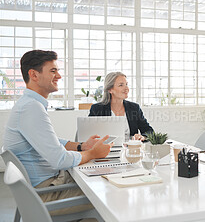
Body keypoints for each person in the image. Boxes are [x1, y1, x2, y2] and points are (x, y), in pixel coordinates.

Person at [3, 50, 112, 215]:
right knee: (108, 193)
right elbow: (59, 160)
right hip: (47, 193)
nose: (59, 76)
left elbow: (51, 141)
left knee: (99, 181)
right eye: (53, 71)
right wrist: (92, 153)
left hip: (49, 184)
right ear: (34, 74)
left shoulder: (29, 104)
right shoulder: (31, 108)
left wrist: (82, 146)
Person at [89, 72, 153, 141]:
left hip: (130, 149)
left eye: (126, 84)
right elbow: (89, 134)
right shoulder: (97, 109)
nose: (126, 88)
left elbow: (149, 131)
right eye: (121, 85)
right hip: (106, 150)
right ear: (110, 89)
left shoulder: (134, 108)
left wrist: (143, 137)